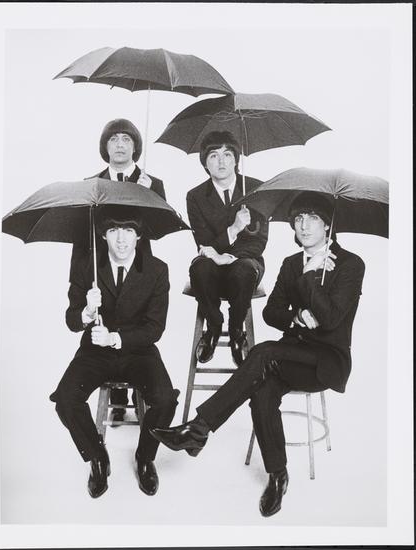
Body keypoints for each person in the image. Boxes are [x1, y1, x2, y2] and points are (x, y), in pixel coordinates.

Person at [151, 191, 365, 517]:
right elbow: (271, 313)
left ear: (327, 226)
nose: (304, 225)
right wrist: (296, 316)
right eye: (298, 218)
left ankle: (198, 429)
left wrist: (311, 277)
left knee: (263, 353)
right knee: (262, 393)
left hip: (326, 361)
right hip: (291, 355)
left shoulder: (350, 263)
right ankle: (278, 476)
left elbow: (332, 319)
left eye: (313, 219)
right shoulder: (291, 263)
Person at [50, 207, 179, 498]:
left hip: (138, 351)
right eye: (113, 231)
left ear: (139, 235)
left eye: (128, 231)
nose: (121, 239)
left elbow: (155, 328)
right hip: (95, 352)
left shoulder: (157, 269)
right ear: (103, 235)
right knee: (66, 399)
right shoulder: (87, 266)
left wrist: (116, 338)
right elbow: (71, 321)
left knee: (165, 400)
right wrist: (86, 311)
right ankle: (97, 457)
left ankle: (145, 458)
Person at [76, 118, 167, 424]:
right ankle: (115, 395)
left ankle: (138, 383)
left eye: (126, 139)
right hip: (101, 270)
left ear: (135, 147)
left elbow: (158, 229)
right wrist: (79, 278)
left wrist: (148, 196)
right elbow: (83, 237)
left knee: (134, 327)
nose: (119, 144)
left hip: (137, 270)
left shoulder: (152, 183)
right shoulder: (91, 184)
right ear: (105, 146)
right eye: (113, 139)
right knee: (105, 325)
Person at [186, 131, 269, 366]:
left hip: (245, 263)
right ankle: (213, 326)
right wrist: (233, 229)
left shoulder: (256, 189)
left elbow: (258, 241)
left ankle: (236, 330)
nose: (221, 161)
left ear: (236, 159)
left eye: (227, 154)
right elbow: (203, 242)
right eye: (213, 155)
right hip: (211, 266)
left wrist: (229, 257)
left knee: (243, 270)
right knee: (199, 268)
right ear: (205, 163)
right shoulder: (195, 196)